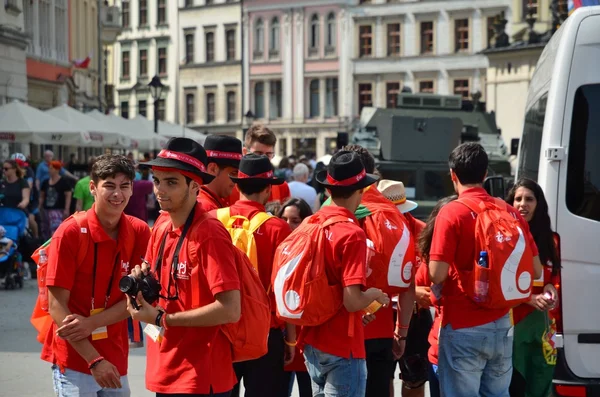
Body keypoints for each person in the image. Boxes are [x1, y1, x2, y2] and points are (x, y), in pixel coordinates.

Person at [126, 137, 242, 396]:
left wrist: (160, 318)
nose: (160, 190)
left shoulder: (210, 232)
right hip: (165, 367)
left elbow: (230, 309)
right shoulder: (162, 225)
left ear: (195, 187)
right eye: (157, 180)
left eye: (171, 182)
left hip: (200, 374)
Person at [428, 142, 543, 396]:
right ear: (485, 174)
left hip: (462, 326)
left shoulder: (451, 212)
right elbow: (535, 270)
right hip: (502, 325)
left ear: (453, 175)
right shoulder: (511, 212)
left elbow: (436, 273)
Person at [41, 154, 151, 397]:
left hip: (116, 355)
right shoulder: (69, 232)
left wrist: (92, 323)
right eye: (109, 186)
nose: (117, 194)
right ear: (93, 188)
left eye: (124, 186)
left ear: (132, 189)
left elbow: (136, 300)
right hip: (75, 358)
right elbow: (57, 306)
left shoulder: (140, 231)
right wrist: (94, 361)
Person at [301, 150, 389, 397]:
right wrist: (373, 294)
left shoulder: (312, 222)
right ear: (362, 191)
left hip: (312, 340)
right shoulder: (352, 233)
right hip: (342, 344)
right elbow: (351, 301)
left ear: (328, 190)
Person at [336, 145, 415, 397]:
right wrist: (401, 333)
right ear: (371, 174)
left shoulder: (337, 212)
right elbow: (407, 284)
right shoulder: (395, 215)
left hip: (343, 328)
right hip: (381, 329)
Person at [225, 154, 294, 397]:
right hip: (266, 331)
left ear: (237, 185)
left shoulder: (214, 220)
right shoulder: (278, 228)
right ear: (267, 189)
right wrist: (291, 340)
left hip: (222, 327)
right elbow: (285, 287)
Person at [506, 178, 560, 397]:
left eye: (529, 199)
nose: (522, 204)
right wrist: (529, 298)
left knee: (540, 385)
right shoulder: (505, 237)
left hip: (543, 328)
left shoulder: (551, 240)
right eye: (518, 199)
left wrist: (552, 289)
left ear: (539, 204)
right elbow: (500, 283)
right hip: (513, 324)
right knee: (515, 387)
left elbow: (553, 278)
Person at [378, 179, 429, 397]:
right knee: (382, 379)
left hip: (416, 318)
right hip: (381, 315)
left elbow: (431, 278)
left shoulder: (422, 232)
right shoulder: (375, 230)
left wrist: (415, 291)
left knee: (414, 379)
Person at [416, 195, 458, 397]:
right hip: (439, 349)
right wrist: (414, 293)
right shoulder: (430, 256)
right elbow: (416, 288)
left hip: (466, 348)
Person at [275, 198, 313, 397]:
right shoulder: (275, 248)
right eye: (284, 219)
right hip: (280, 334)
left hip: (307, 336)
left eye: (295, 220)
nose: (288, 225)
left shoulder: (314, 249)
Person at [227, 124, 291, 214]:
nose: (263, 159)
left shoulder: (281, 186)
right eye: (258, 153)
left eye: (268, 154)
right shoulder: (230, 187)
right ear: (245, 152)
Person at [199, 134, 242, 211]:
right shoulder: (206, 208)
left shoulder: (214, 202)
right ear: (212, 169)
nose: (236, 180)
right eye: (233, 173)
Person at [39, 161, 73, 240]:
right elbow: (42, 195)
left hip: (57, 210)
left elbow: (68, 195)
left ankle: (55, 247)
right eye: (49, 168)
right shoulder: (45, 182)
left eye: (51, 168)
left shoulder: (64, 181)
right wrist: (40, 206)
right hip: (46, 209)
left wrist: (66, 209)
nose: (49, 170)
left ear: (57, 169)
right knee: (45, 230)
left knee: (54, 230)